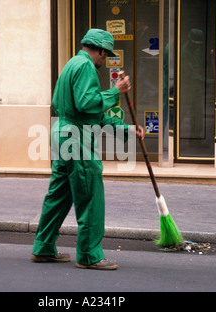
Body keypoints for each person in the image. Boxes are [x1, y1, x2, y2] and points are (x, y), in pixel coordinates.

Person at [31, 29, 144, 270]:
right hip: (76, 138)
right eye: (106, 55)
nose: (105, 60)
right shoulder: (86, 67)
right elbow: (88, 104)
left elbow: (89, 112)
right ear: (101, 50)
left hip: (61, 132)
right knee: (90, 194)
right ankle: (89, 254)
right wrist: (117, 91)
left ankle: (43, 247)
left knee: (59, 194)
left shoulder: (72, 63)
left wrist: (127, 130)